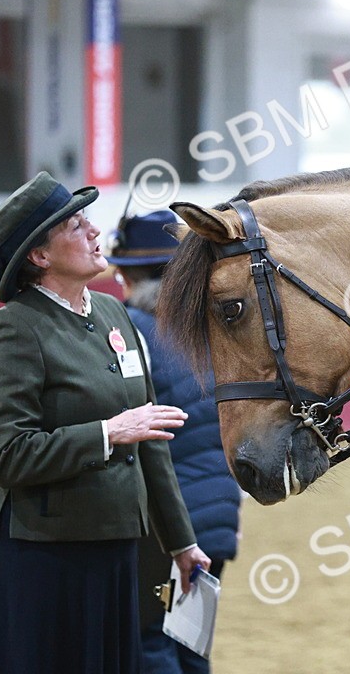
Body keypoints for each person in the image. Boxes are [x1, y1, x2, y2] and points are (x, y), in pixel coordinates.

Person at [0, 172, 211, 674]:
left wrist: (182, 544)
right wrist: (108, 432)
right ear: (39, 255)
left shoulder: (114, 315)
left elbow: (152, 442)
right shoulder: (14, 327)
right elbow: (8, 455)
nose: (95, 232)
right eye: (76, 225)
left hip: (117, 550)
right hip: (42, 555)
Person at [106, 209, 241, 674]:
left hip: (167, 524)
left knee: (149, 642)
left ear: (127, 273)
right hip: (221, 513)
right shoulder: (218, 332)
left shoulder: (128, 332)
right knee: (191, 645)